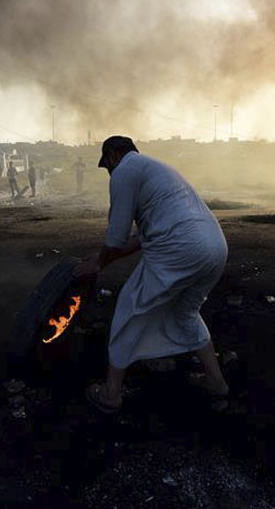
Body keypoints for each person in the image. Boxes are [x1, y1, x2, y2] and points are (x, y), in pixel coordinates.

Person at [75, 135, 230, 413]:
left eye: (107, 165)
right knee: (186, 313)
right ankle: (217, 383)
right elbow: (137, 241)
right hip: (215, 246)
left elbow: (116, 237)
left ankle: (110, 394)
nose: (109, 172)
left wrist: (98, 263)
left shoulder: (124, 171)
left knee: (128, 308)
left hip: (181, 247)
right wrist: (103, 260)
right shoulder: (155, 169)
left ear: (113, 156)